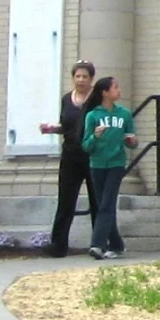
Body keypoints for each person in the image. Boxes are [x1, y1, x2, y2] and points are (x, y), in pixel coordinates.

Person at [38, 61, 98, 256]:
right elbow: (67, 125)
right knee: (66, 199)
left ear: (91, 79)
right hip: (70, 155)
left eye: (85, 77)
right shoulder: (66, 99)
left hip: (91, 154)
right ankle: (58, 244)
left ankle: (99, 242)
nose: (80, 80)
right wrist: (52, 129)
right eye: (77, 76)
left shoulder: (97, 100)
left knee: (96, 199)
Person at [80, 76, 138, 259]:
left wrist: (132, 141)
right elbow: (86, 146)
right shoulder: (92, 116)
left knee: (106, 203)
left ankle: (97, 245)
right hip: (97, 164)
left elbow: (132, 142)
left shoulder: (124, 114)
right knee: (104, 205)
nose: (119, 90)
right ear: (105, 92)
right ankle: (117, 244)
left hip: (116, 163)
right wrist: (95, 136)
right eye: (115, 87)